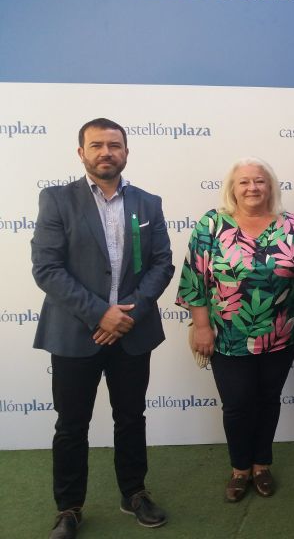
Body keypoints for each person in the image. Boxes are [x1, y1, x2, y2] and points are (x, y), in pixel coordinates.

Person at [31, 118, 174, 539]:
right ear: (81, 153)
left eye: (114, 145)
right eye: (96, 145)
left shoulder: (148, 203)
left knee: (131, 417)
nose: (106, 152)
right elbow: (47, 268)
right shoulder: (57, 200)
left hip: (133, 332)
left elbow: (162, 263)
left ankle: (134, 493)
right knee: (71, 425)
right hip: (75, 334)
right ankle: (69, 508)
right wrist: (100, 314)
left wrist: (128, 314)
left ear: (126, 152)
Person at [176, 157, 294, 503]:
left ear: (271, 187)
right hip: (227, 336)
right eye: (244, 182)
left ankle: (261, 465)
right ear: (233, 188)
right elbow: (194, 279)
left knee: (268, 400)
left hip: (281, 333)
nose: (252, 187)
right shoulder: (211, 224)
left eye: (259, 181)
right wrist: (202, 327)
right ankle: (240, 469)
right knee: (237, 404)